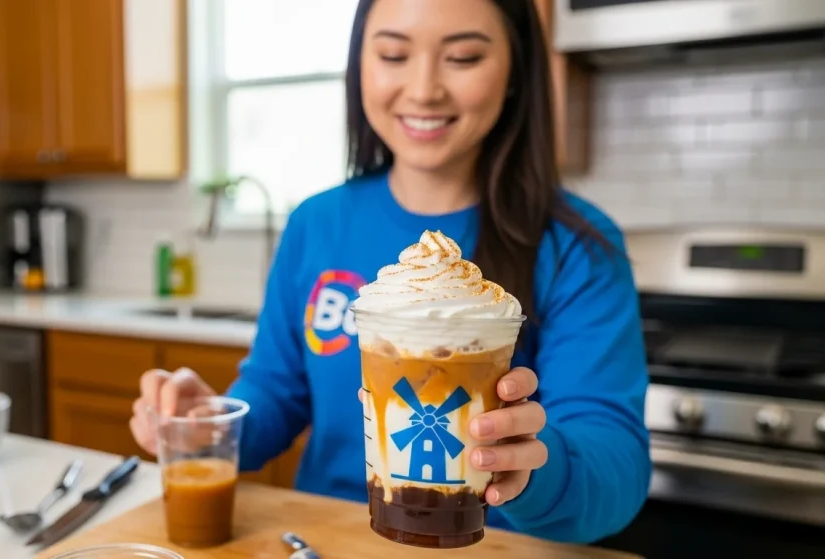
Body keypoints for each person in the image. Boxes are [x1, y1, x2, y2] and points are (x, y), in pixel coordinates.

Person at [131, 0, 650, 545]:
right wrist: (207, 423)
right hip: (323, 543)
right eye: (393, 54)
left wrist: (534, 471)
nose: (424, 88)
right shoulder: (317, 224)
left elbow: (614, 469)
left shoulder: (578, 246)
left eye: (464, 56)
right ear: (360, 67)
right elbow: (275, 392)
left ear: (517, 70)